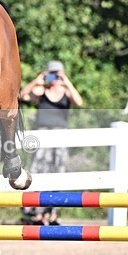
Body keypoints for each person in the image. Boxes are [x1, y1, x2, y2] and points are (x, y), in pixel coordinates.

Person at [19, 60, 83, 224]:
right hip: (43, 134)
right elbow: (23, 95)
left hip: (60, 135)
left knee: (58, 172)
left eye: (57, 74)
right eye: (52, 74)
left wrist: (66, 81)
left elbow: (79, 102)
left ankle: (52, 212)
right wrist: (38, 79)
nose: (55, 78)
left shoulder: (66, 92)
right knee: (38, 171)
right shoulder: (41, 91)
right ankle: (37, 212)